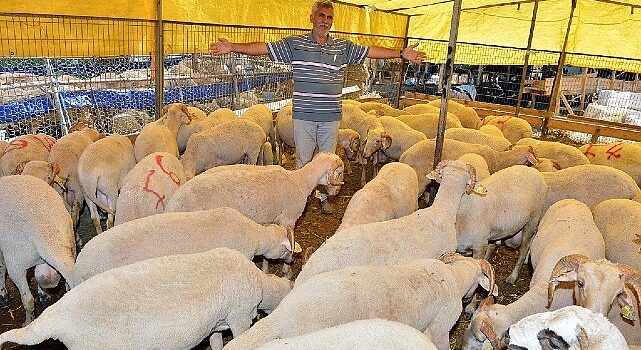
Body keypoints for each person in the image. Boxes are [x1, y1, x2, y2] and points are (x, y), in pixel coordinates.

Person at [210, 0, 425, 213]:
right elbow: (265, 48)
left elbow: (370, 51)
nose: (325, 21)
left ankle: (322, 196)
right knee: (303, 159)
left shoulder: (343, 47)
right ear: (312, 18)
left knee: (327, 157)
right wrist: (233, 46)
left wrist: (400, 53)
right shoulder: (296, 44)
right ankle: (299, 201)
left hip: (330, 116)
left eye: (329, 17)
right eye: (321, 16)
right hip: (304, 114)